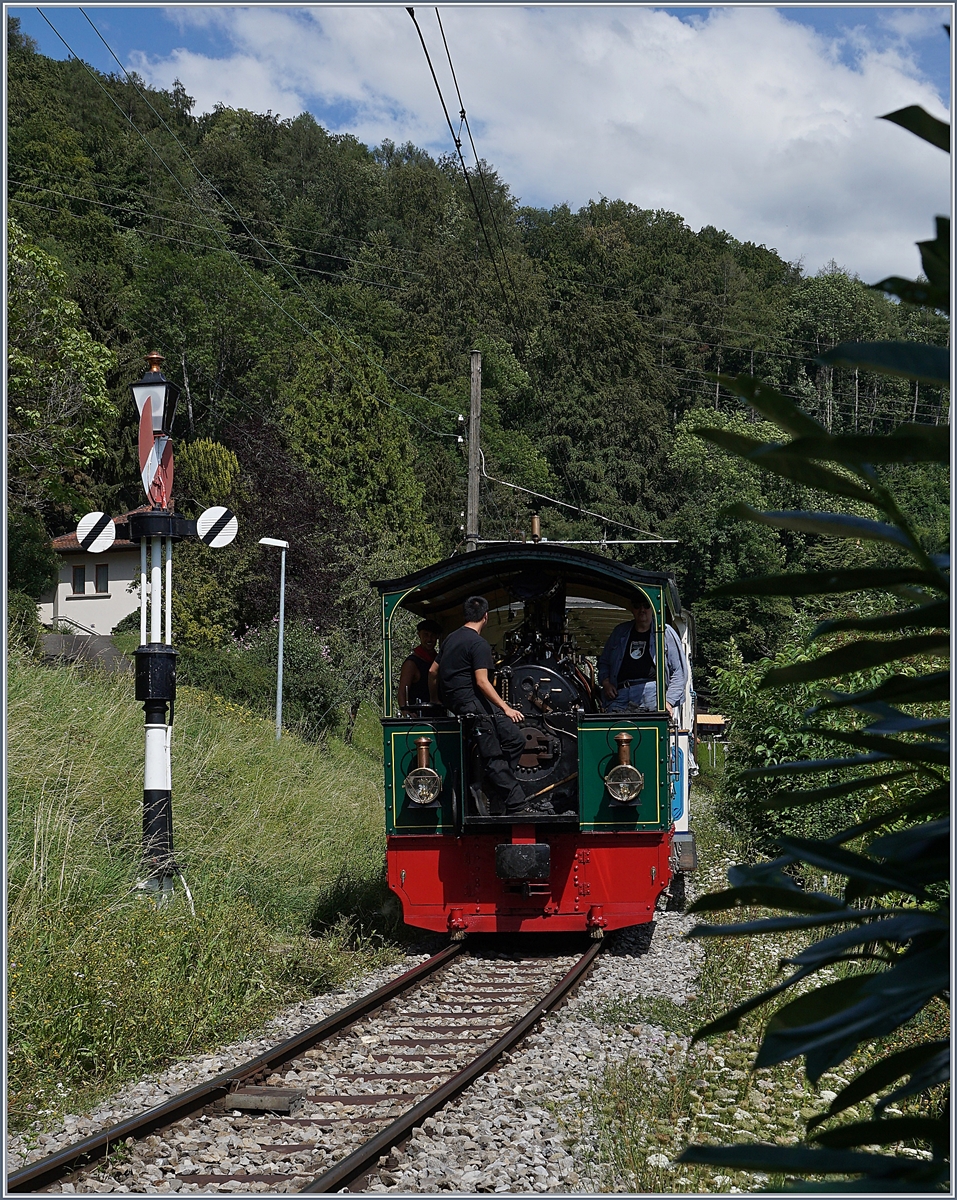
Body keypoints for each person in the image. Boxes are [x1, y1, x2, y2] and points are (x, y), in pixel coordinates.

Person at [429, 595, 553, 816]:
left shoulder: (450, 639)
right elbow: (482, 681)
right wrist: (506, 708)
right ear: (485, 617)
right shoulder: (478, 644)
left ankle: (494, 786)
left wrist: (437, 699)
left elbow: (432, 672)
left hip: (470, 703)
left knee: (514, 739)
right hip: (473, 707)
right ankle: (515, 803)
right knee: (494, 757)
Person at [598, 594, 688, 718]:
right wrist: (606, 683)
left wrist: (668, 701)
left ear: (653, 608)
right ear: (632, 609)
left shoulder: (665, 632)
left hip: (652, 695)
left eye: (646, 606)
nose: (642, 610)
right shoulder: (620, 632)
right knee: (614, 732)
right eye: (637, 606)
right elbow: (603, 662)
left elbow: (679, 672)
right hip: (620, 694)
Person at [398, 619, 442, 712]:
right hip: (419, 717)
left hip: (437, 715)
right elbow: (402, 692)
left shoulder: (438, 661)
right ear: (419, 635)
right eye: (426, 635)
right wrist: (406, 713)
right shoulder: (411, 663)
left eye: (433, 635)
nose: (429, 639)